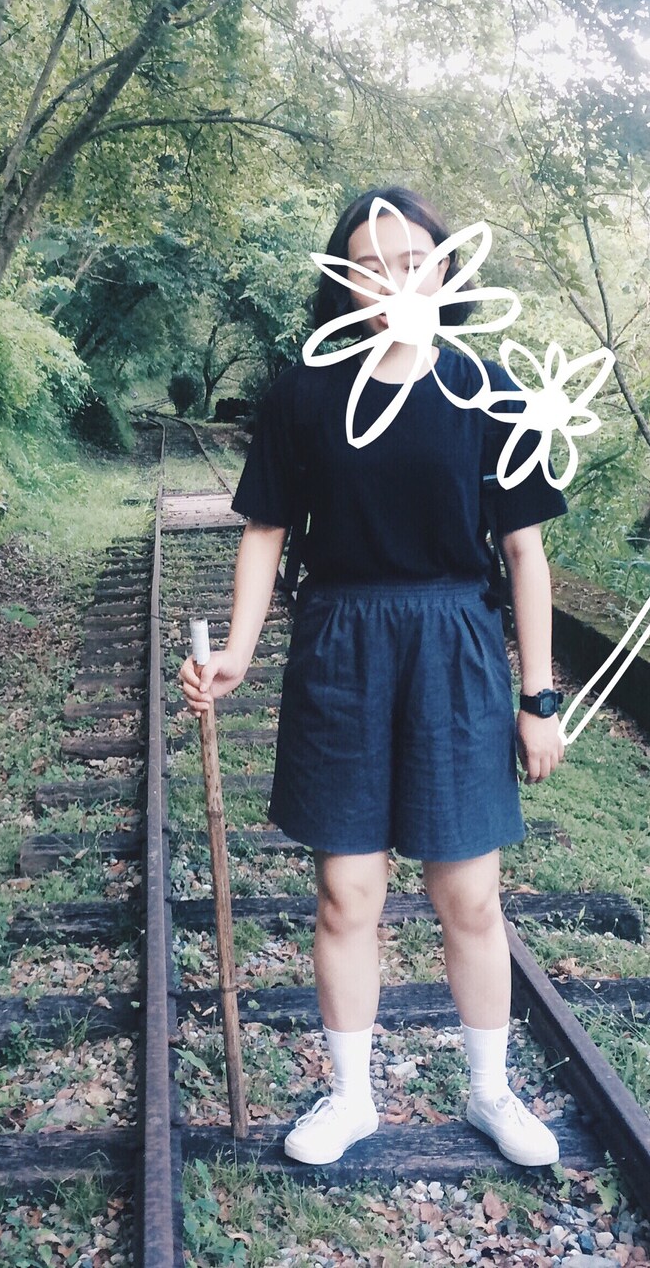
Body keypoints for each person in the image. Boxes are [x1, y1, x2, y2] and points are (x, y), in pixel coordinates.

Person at [180, 186, 567, 1167]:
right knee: (346, 894)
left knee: (468, 895)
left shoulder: (489, 391)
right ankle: (351, 1098)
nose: (394, 278)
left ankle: (490, 1092)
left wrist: (540, 697)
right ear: (343, 280)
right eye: (370, 263)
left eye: (413, 260)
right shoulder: (303, 394)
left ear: (444, 268)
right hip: (341, 644)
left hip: (455, 645)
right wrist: (236, 652)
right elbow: (267, 533)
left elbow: (525, 553)